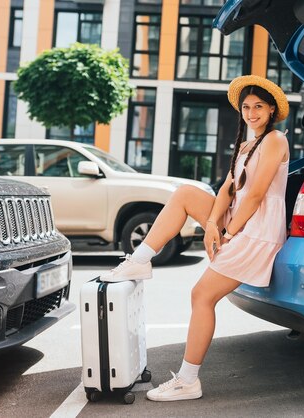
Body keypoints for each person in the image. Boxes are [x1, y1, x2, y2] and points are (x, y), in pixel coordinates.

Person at [100, 75, 290, 402]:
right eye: (246, 107)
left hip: (257, 231)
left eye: (258, 106)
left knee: (202, 295)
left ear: (272, 109)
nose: (251, 112)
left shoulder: (275, 140)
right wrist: (213, 223)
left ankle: (188, 380)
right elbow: (228, 190)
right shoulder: (247, 145)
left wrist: (228, 233)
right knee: (185, 192)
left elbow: (256, 194)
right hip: (238, 221)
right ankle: (140, 260)